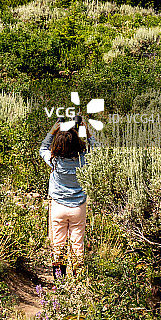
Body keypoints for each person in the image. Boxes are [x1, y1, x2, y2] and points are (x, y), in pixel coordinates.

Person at [39, 115, 95, 278]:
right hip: (78, 207)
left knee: (58, 244)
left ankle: (59, 280)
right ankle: (78, 280)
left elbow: (43, 149)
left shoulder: (54, 160)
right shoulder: (83, 160)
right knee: (77, 244)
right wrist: (87, 133)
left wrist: (52, 132)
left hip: (58, 207)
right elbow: (98, 149)